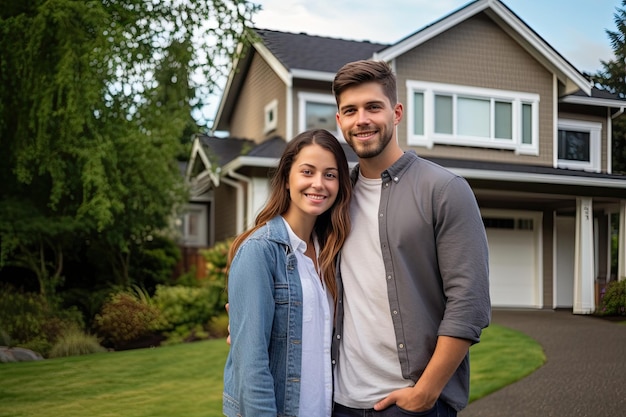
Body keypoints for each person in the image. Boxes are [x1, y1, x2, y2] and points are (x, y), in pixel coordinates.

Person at [330, 60, 491, 417]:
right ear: (339, 121)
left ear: (397, 112)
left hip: (412, 405)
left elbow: (469, 302)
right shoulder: (335, 197)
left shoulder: (445, 190)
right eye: (350, 111)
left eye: (373, 107)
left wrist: (425, 393)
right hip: (339, 401)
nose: (362, 120)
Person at [222, 129, 352, 417]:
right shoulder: (260, 251)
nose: (318, 184)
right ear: (287, 178)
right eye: (308, 171)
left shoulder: (330, 254)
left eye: (330, 175)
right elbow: (251, 366)